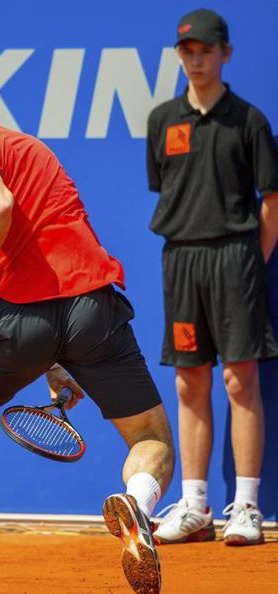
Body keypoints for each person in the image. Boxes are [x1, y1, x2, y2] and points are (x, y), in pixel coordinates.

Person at [0, 72, 174, 594]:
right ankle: (137, 505)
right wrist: (56, 361)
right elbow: (45, 249)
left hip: (22, 318)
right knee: (151, 437)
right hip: (95, 307)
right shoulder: (29, 146)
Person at [146, 8, 278, 547]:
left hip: (236, 259)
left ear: (225, 53)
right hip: (181, 261)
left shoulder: (249, 121)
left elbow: (271, 201)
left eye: (205, 50)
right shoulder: (162, 120)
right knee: (189, 379)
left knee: (239, 378)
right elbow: (165, 191)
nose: (195, 59)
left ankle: (246, 506)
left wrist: (251, 262)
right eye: (187, 51)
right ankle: (195, 504)